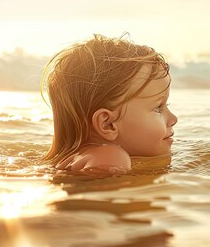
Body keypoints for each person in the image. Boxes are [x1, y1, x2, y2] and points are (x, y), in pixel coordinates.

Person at [41, 34, 178, 174]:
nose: (174, 119)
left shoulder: (77, 157)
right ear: (108, 124)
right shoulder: (112, 158)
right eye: (158, 108)